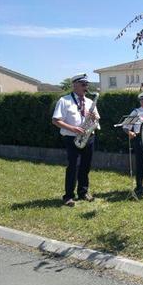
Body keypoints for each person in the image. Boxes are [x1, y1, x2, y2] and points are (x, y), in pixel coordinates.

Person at [52, 73, 100, 207]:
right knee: (73, 166)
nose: (86, 87)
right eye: (83, 85)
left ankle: (83, 192)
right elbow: (56, 120)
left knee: (86, 166)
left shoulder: (90, 102)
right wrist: (73, 129)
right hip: (72, 138)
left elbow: (97, 119)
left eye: (87, 85)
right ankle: (68, 196)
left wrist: (94, 117)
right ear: (75, 85)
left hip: (88, 137)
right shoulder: (64, 100)